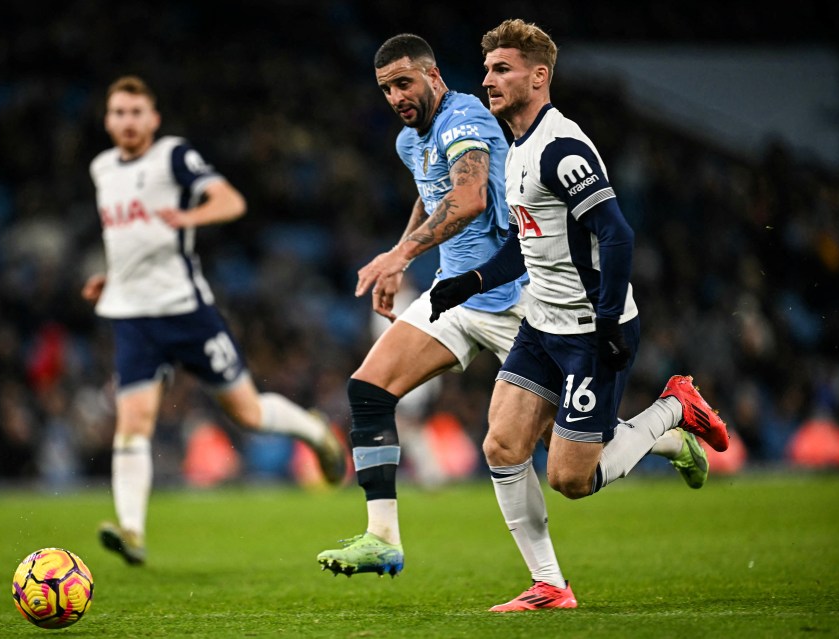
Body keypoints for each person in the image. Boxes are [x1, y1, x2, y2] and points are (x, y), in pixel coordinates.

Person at [428, 19, 728, 611]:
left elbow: (616, 234)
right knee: (502, 446)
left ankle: (674, 408)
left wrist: (611, 320)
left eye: (502, 68)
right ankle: (549, 586)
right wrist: (473, 280)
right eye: (486, 68)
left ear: (539, 77)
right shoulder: (514, 148)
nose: (487, 78)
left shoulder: (560, 147)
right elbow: (529, 242)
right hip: (543, 324)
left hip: (592, 331)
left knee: (571, 480)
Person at [315, 33, 580, 601]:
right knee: (368, 389)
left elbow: (468, 197)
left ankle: (666, 425)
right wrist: (398, 258)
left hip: (521, 296)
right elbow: (430, 194)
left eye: (405, 83)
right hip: (454, 297)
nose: (396, 96)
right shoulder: (412, 141)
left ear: (434, 77)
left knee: (577, 456)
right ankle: (382, 536)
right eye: (386, 88)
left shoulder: (465, 120)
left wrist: (399, 255)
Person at [82, 75, 347, 566]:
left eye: (136, 112)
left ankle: (313, 431)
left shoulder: (173, 157)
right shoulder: (102, 169)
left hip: (185, 312)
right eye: (118, 113)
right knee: (133, 422)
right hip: (132, 316)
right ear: (107, 120)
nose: (127, 122)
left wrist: (190, 218)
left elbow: (231, 200)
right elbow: (127, 238)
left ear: (153, 119)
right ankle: (132, 531)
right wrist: (111, 276)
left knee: (245, 412)